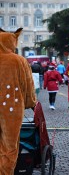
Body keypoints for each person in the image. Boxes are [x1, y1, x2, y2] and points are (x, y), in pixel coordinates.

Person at [0, 28, 36, 174]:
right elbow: (28, 85)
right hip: (11, 108)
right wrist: (30, 103)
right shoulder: (19, 60)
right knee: (10, 145)